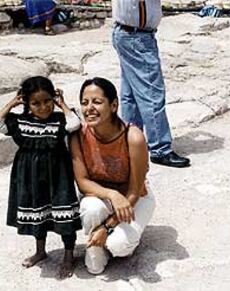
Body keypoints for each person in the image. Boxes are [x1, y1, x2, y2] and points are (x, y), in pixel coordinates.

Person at [0, 76, 82, 278]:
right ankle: (40, 251)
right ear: (27, 103)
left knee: (63, 212)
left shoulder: (60, 119)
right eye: (35, 103)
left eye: (47, 101)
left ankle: (68, 255)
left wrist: (61, 103)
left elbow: (74, 125)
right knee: (38, 213)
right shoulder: (20, 122)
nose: (43, 107)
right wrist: (12, 102)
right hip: (29, 177)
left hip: (58, 176)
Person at [69, 77, 156, 274]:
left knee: (120, 246)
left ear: (114, 105)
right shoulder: (78, 135)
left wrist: (107, 227)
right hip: (102, 196)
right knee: (90, 210)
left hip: (135, 197)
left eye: (97, 102)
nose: (89, 108)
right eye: (84, 103)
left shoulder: (132, 137)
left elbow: (134, 191)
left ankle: (108, 237)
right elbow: (82, 182)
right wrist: (112, 195)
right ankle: (98, 243)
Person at [111, 0, 190, 168]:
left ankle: (131, 139)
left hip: (129, 33)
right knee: (151, 93)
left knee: (131, 94)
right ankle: (160, 148)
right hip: (136, 37)